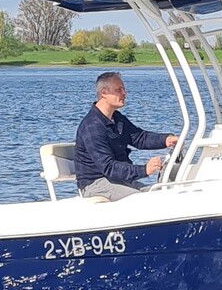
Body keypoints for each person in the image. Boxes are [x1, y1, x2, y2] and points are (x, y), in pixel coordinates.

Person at [75, 71, 177, 201]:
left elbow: (139, 138)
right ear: (104, 93)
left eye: (124, 89)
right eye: (119, 90)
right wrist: (144, 170)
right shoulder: (92, 126)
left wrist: (167, 140)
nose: (124, 94)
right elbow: (108, 167)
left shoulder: (117, 118)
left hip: (118, 179)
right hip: (95, 183)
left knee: (158, 193)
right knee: (143, 200)